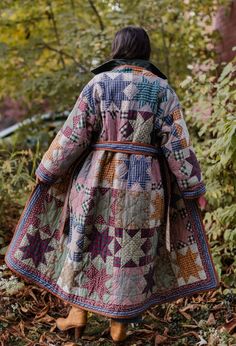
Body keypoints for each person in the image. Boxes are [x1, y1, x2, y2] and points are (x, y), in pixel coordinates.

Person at [5, 26, 219, 342]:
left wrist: (47, 170)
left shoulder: (98, 85)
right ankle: (119, 326)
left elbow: (74, 134)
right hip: (145, 188)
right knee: (131, 252)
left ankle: (77, 313)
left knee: (83, 242)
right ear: (146, 52)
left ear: (116, 50)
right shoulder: (161, 90)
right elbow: (178, 145)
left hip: (94, 182)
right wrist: (193, 187)